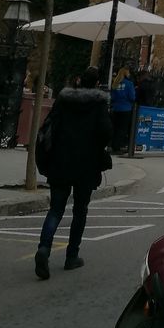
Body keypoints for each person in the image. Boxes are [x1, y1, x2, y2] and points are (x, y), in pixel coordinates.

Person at [34, 65, 111, 279]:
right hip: (86, 165)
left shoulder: (64, 100)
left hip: (61, 160)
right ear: (97, 84)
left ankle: (44, 248)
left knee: (56, 209)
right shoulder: (99, 104)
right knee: (80, 210)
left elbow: (50, 125)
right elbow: (106, 133)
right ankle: (71, 256)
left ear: (79, 80)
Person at [110, 67, 137, 154]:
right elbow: (132, 97)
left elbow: (112, 97)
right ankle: (118, 147)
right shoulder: (129, 84)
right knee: (122, 129)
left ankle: (113, 145)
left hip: (116, 108)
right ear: (126, 74)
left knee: (115, 128)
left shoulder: (115, 83)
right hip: (126, 108)